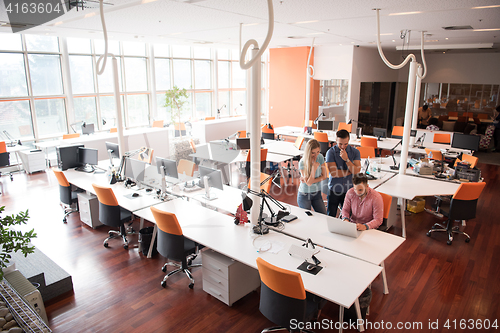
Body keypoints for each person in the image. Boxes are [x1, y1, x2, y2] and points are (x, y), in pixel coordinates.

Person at [325, 129, 361, 217]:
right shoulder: (331, 152)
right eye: (340, 144)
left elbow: (356, 171)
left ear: (348, 140)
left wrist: (347, 160)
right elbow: (334, 174)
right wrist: (351, 170)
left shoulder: (355, 152)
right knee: (331, 215)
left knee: (349, 216)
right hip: (334, 189)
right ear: (336, 140)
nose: (343, 146)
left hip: (350, 189)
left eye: (345, 144)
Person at [297, 139, 328, 213]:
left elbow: (324, 176)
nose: (316, 155)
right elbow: (309, 184)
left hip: (317, 193)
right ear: (308, 152)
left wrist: (310, 180)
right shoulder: (302, 162)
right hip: (304, 194)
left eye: (318, 152)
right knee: (307, 218)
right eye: (313, 153)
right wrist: (314, 168)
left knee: (323, 216)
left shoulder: (320, 157)